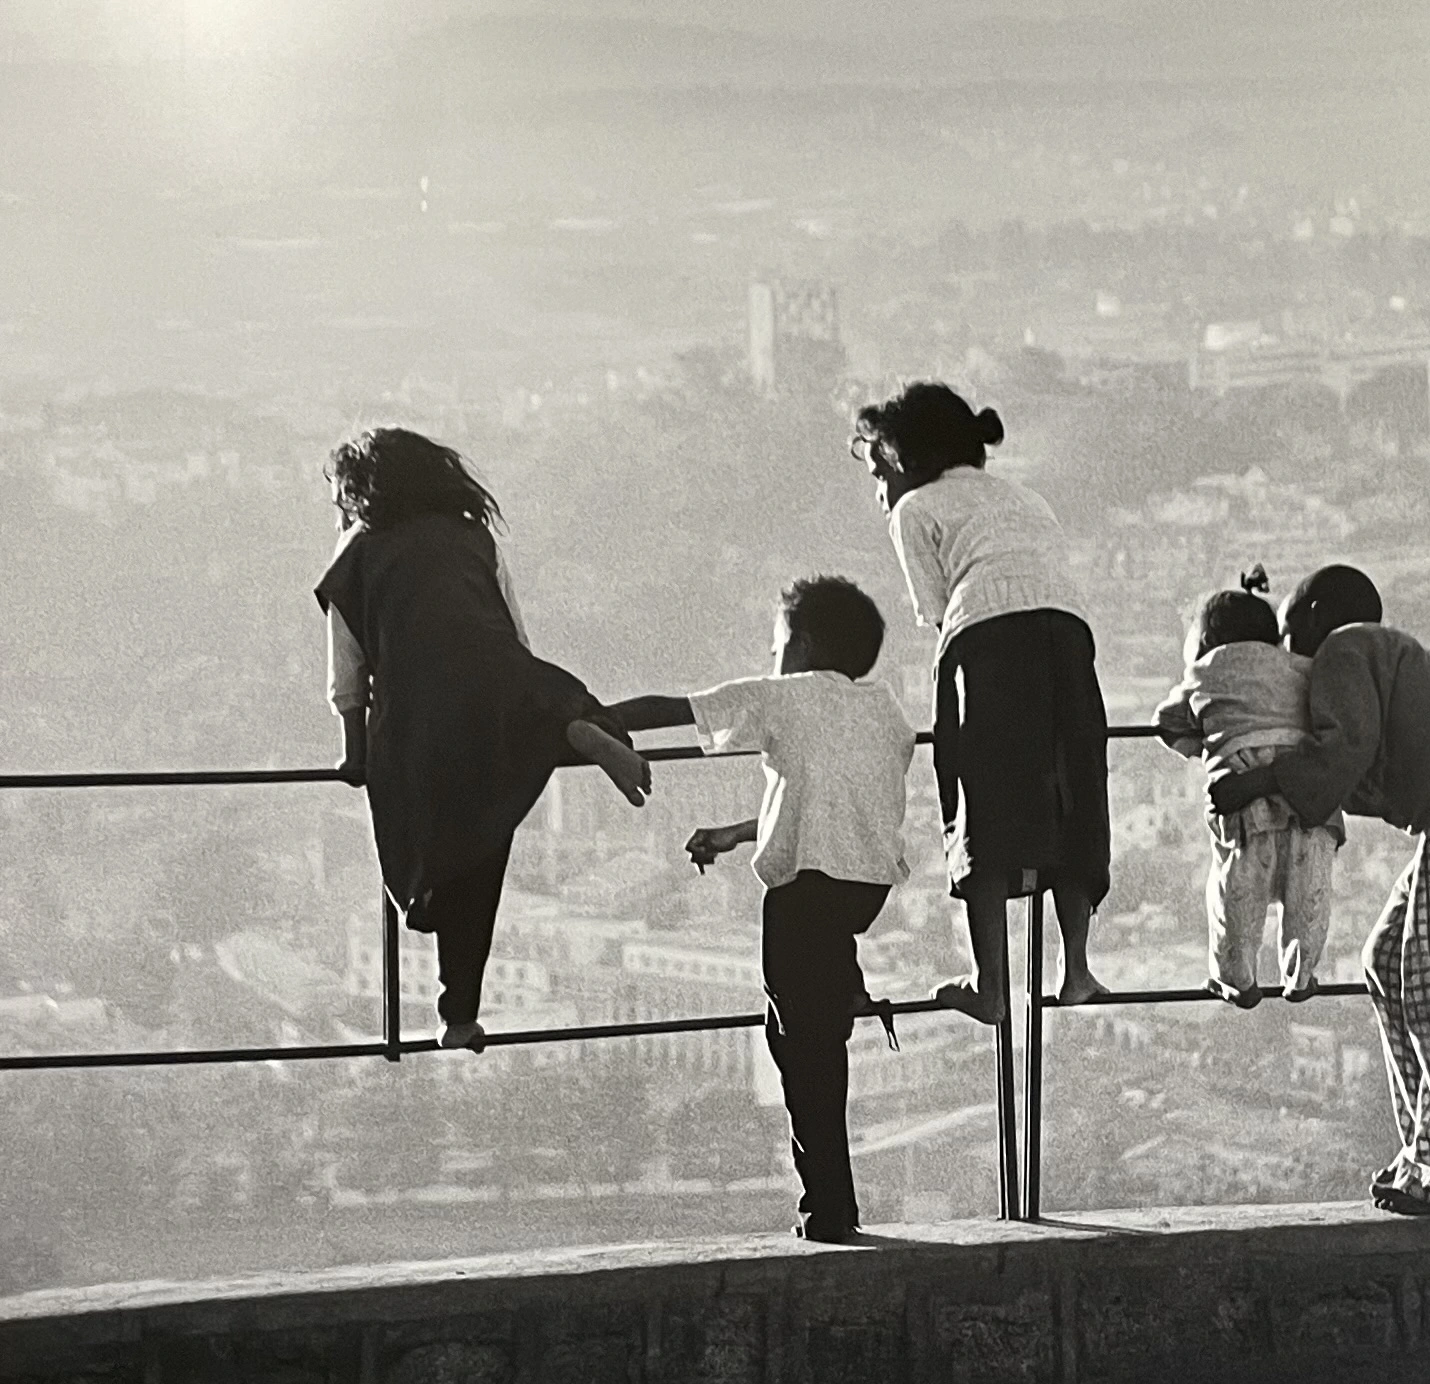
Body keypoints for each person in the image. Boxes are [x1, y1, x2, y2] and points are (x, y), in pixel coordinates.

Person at [1209, 566, 1430, 1215]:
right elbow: (1358, 763)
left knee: (1427, 980)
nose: (1283, 647)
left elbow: (1345, 749)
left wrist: (1257, 778)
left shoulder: (1345, 649)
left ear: (1315, 614)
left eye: (1287, 627)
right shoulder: (1383, 656)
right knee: (1391, 962)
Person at [315, 427, 650, 1054]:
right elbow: (513, 635)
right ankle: (566, 731)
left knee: (436, 856)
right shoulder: (472, 535)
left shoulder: (356, 553)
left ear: (360, 492)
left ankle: (454, 997)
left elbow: (349, 670)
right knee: (487, 835)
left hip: (419, 714)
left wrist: (355, 752)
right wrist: (523, 709)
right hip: (506, 686)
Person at [606, 577, 915, 1243]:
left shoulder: (785, 694)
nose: (771, 657)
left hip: (803, 897)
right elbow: (822, 803)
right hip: (860, 889)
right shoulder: (884, 709)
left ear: (799, 646)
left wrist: (587, 718)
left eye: (775, 645)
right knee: (814, 1032)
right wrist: (733, 832)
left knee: (797, 1050)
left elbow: (680, 709)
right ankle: (842, 992)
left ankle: (828, 1209)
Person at [855, 382, 1110, 1024]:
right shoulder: (1027, 497)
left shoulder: (915, 508)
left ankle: (990, 984)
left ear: (905, 456)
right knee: (1073, 786)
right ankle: (1076, 971)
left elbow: (938, 613)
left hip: (988, 638)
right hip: (1069, 634)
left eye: (880, 467)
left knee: (984, 799)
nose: (880, 486)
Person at [1154, 566, 1344, 1008]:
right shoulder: (1302, 667)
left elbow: (1165, 722)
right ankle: (1301, 976)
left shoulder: (1204, 672)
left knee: (1235, 897)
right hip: (1308, 803)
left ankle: (1236, 980)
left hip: (1245, 804)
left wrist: (1203, 744)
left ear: (1203, 643)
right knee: (1309, 896)